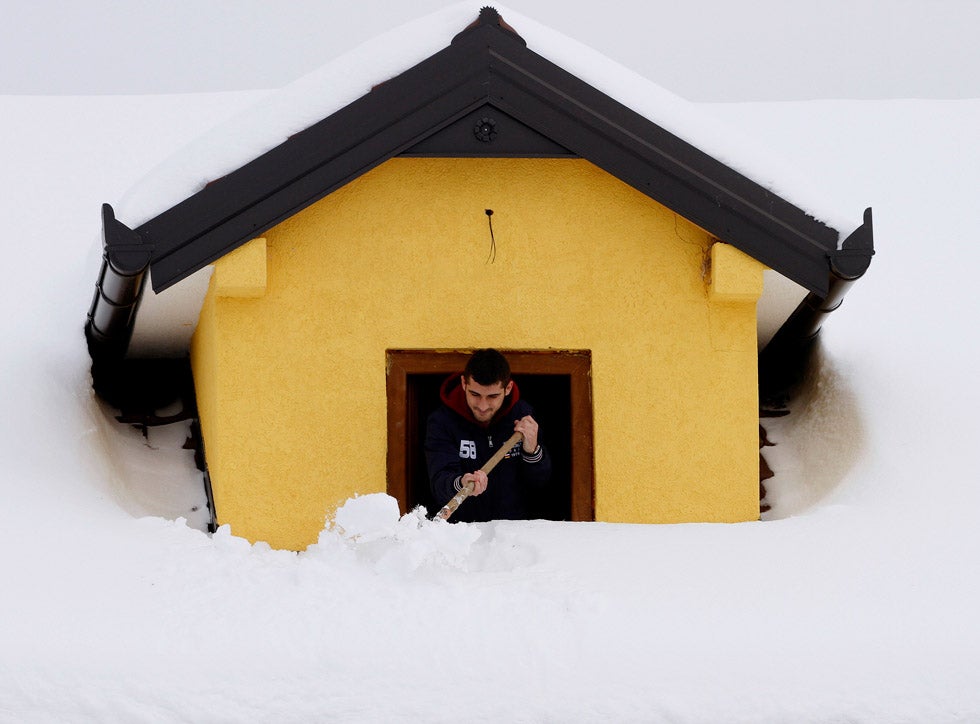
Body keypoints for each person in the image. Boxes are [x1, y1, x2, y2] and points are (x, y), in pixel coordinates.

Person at [425, 349, 552, 522]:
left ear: (508, 388)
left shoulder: (524, 417)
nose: (483, 406)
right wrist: (461, 483)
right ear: (464, 383)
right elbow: (439, 482)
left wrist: (532, 451)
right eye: (475, 394)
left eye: (492, 396)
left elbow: (540, 483)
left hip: (511, 531)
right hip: (461, 532)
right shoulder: (442, 421)